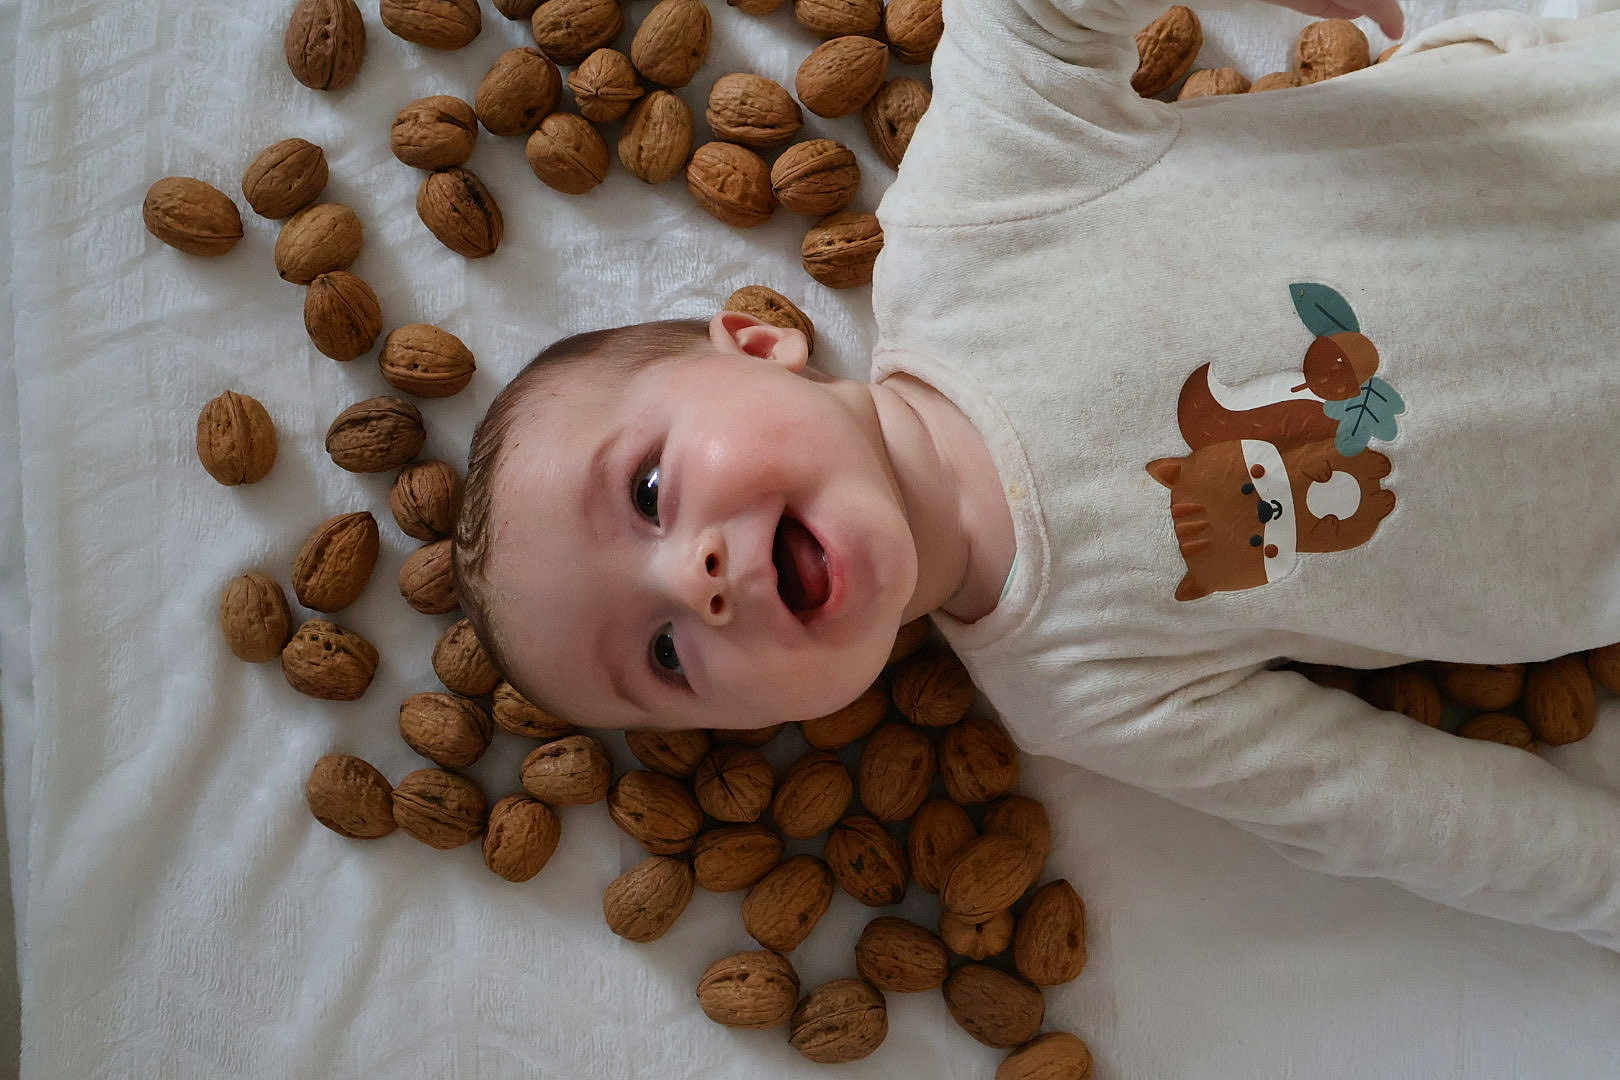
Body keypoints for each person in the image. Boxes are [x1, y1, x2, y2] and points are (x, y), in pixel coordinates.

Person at [451, 0, 1620, 953]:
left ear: (760, 341)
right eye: (663, 656)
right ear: (753, 723)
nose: (692, 579)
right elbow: (1392, 811)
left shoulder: (974, 222)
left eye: (649, 492)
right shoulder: (1077, 692)